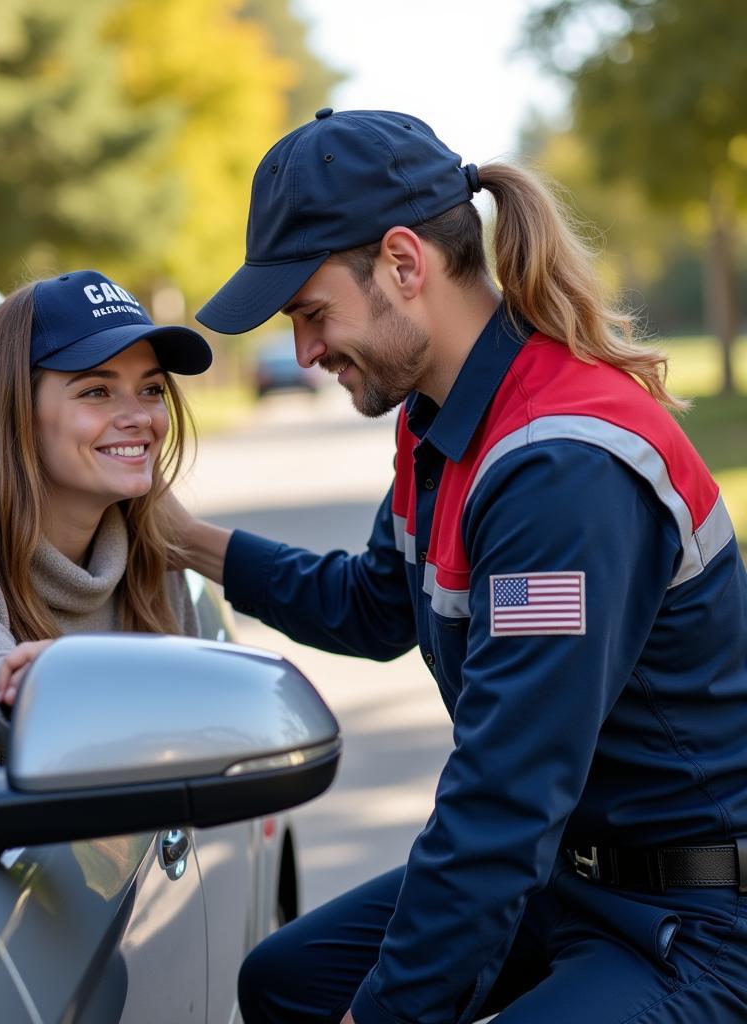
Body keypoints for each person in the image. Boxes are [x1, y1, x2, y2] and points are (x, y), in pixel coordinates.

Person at [168, 108, 747, 1023]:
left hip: (693, 924)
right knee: (285, 983)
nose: (306, 350)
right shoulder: (438, 423)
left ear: (404, 263)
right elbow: (374, 606)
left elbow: (505, 796)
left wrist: (390, 1014)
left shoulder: (561, 467)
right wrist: (190, 540)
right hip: (571, 876)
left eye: (311, 313)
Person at [0, 270, 212, 759]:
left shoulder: (154, 556)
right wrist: (34, 690)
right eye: (96, 391)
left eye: (151, 390)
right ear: (17, 411)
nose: (140, 417)